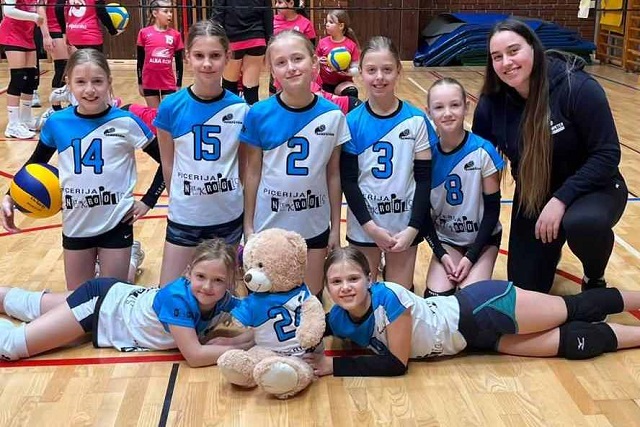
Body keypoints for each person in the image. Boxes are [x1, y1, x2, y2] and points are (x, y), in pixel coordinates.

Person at [303, 246, 640, 377]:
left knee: (574, 308)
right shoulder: (338, 318)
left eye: (353, 279)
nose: (345, 288)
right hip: (478, 341)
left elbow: (396, 364)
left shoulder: (389, 298)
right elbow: (307, 332)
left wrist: (335, 365)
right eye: (336, 282)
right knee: (570, 344)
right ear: (327, 287)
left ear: (370, 279)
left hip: (483, 308)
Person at [472, 19, 628, 294]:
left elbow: (607, 154)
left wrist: (560, 199)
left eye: (513, 51)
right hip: (536, 193)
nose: (506, 62)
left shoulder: (577, 87)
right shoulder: (492, 103)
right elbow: (477, 158)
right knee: (526, 288)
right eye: (497, 57)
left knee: (583, 223)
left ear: (533, 48)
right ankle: (549, 250)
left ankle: (594, 277)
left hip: (594, 188)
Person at [0, 49, 161, 291]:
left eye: (97, 81)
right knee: (79, 300)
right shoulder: (57, 123)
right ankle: (128, 262)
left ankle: (131, 258)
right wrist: (10, 196)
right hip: (76, 224)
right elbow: (34, 164)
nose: (90, 90)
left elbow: (167, 161)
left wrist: (148, 201)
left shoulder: (126, 122)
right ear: (68, 83)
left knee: (111, 297)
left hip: (116, 223)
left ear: (109, 82)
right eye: (81, 82)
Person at [0, 239, 254, 366]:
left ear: (229, 282)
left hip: (116, 295)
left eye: (218, 280)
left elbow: (259, 316)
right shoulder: (178, 299)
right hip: (99, 308)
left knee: (26, 304)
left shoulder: (223, 298)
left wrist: (257, 337)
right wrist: (250, 351)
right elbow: (195, 355)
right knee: (12, 346)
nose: (208, 287)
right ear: (188, 273)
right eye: (200, 277)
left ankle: (132, 257)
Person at [241, 30, 350, 297]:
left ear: (314, 63)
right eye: (281, 62)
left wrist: (335, 229)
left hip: (313, 225)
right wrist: (248, 226)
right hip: (269, 225)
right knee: (268, 301)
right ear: (272, 71)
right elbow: (252, 173)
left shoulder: (333, 116)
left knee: (310, 299)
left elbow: (333, 175)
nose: (290, 67)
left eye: (297, 58)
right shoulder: (258, 114)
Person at [154, 20, 248, 286]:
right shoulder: (171, 107)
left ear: (227, 57)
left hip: (227, 217)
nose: (207, 63)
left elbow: (243, 167)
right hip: (185, 217)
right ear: (187, 57)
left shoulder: (241, 110)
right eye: (199, 55)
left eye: (215, 55)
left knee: (221, 295)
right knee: (170, 293)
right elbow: (168, 163)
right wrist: (181, 201)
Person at [341, 36, 435, 290]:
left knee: (399, 296)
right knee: (363, 294)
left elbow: (424, 180)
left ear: (398, 71)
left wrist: (413, 228)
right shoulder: (352, 122)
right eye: (371, 70)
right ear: (361, 72)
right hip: (365, 226)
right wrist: (371, 228)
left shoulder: (416, 120)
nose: (379, 77)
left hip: (404, 226)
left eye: (387, 69)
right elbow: (348, 182)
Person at [423, 78, 504, 297]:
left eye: (455, 105)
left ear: (466, 106)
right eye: (439, 107)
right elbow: (423, 213)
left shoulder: (483, 151)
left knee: (470, 300)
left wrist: (471, 256)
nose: (447, 113)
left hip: (483, 241)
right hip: (447, 240)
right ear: (428, 112)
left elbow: (492, 211)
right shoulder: (426, 155)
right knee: (435, 299)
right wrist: (441, 253)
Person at [0, 0, 53, 138]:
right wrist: (33, 17)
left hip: (27, 34)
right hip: (12, 34)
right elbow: (8, 11)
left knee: (31, 77)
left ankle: (26, 119)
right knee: (18, 78)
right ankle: (13, 125)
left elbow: (39, 10)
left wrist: (45, 34)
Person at [211, 0, 273, 105]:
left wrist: (216, 42)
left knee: (229, 86)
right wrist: (269, 42)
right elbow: (268, 14)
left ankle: (230, 114)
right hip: (257, 37)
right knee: (251, 86)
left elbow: (218, 14)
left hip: (233, 38)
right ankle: (251, 114)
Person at [136, 0, 184, 108]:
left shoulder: (175, 35)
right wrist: (140, 82)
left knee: (167, 113)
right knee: (154, 114)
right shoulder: (144, 33)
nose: (169, 14)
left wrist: (178, 84)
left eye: (170, 11)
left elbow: (179, 63)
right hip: (149, 83)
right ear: (155, 13)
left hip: (168, 83)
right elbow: (140, 61)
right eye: (166, 11)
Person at [270, 0, 316, 95]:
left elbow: (311, 49)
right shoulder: (273, 21)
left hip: (298, 71)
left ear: (291, 3)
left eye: (280, 2)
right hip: (279, 68)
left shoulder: (305, 23)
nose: (276, 5)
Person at [316, 9, 360, 98]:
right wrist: (319, 60)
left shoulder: (351, 45)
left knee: (352, 92)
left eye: (331, 22)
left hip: (343, 82)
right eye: (327, 21)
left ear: (341, 26)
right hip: (325, 83)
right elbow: (314, 60)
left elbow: (357, 69)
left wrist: (348, 72)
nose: (327, 24)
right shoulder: (322, 42)